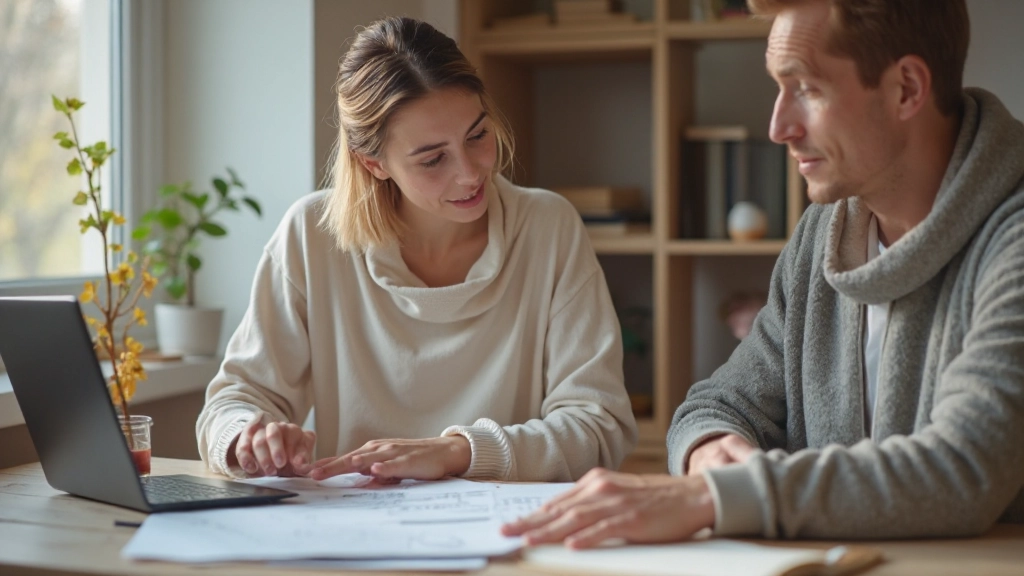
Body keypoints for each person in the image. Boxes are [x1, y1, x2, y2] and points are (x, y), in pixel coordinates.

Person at [504, 0, 1024, 547]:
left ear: (906, 89)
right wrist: (711, 449)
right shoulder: (822, 234)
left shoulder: (1011, 238)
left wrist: (715, 497)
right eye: (779, 88)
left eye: (807, 89)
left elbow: (965, 466)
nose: (778, 128)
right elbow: (718, 403)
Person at [196, 17, 637, 483]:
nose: (470, 173)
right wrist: (249, 437)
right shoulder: (312, 234)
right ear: (373, 164)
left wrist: (459, 452)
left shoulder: (548, 227)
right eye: (433, 159)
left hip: (512, 521)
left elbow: (598, 427)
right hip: (352, 519)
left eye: (477, 136)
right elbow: (232, 402)